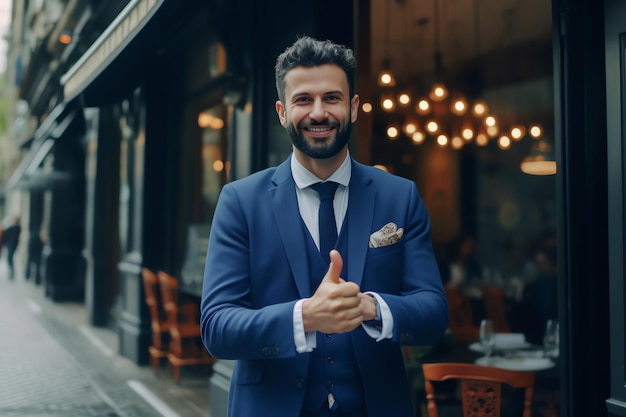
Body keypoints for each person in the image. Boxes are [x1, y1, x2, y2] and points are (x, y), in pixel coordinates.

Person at [200, 36, 448, 417]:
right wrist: (306, 317)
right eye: (303, 100)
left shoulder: (400, 196)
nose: (319, 113)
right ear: (282, 112)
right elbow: (217, 327)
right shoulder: (240, 201)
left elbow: (432, 314)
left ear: (353, 108)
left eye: (332, 98)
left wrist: (369, 307)